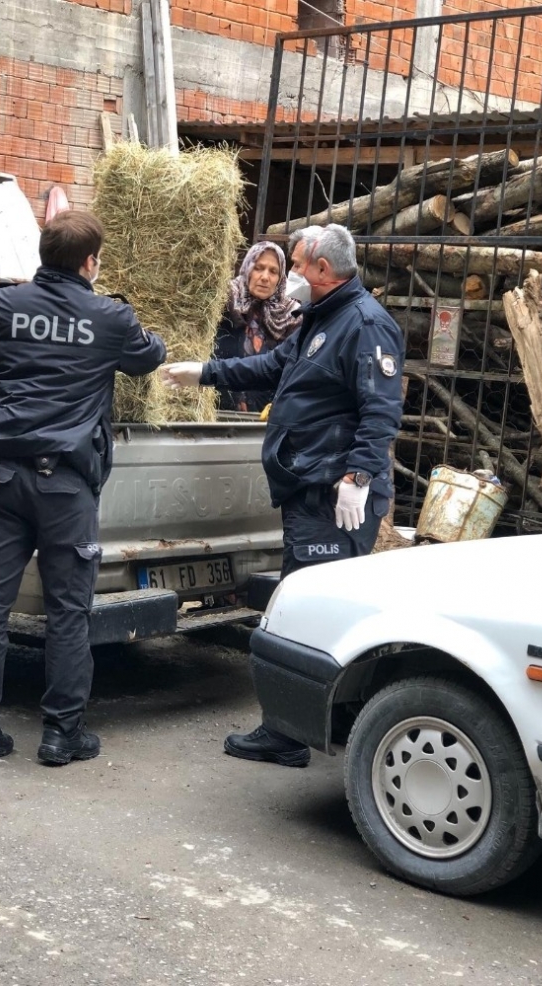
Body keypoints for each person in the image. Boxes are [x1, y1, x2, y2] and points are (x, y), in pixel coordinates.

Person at [160, 223, 404, 768]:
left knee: (308, 611)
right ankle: (323, 722)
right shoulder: (323, 316)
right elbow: (271, 367)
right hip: (309, 486)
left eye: (296, 264)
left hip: (332, 495)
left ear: (322, 269)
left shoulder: (365, 324)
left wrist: (357, 479)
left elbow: (382, 410)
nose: (289, 274)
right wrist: (204, 372)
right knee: (318, 607)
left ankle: (288, 734)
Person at [0, 211, 166, 766]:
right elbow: (151, 356)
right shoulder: (110, 316)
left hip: (2, 474)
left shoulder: (3, 305)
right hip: (66, 485)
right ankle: (61, 733)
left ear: (42, 256)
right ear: (91, 262)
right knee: (69, 611)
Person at [213, 240, 301, 413]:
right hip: (220, 406)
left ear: (280, 278)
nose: (265, 277)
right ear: (247, 268)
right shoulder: (224, 301)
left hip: (267, 413)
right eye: (258, 268)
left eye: (273, 271)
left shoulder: (291, 315)